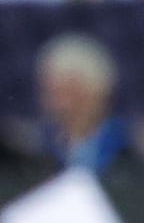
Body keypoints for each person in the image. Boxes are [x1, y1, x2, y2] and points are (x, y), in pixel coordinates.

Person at [35, 33, 135, 174]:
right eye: (51, 87)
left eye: (70, 83)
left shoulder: (127, 147)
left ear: (97, 90)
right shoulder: (37, 151)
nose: (56, 94)